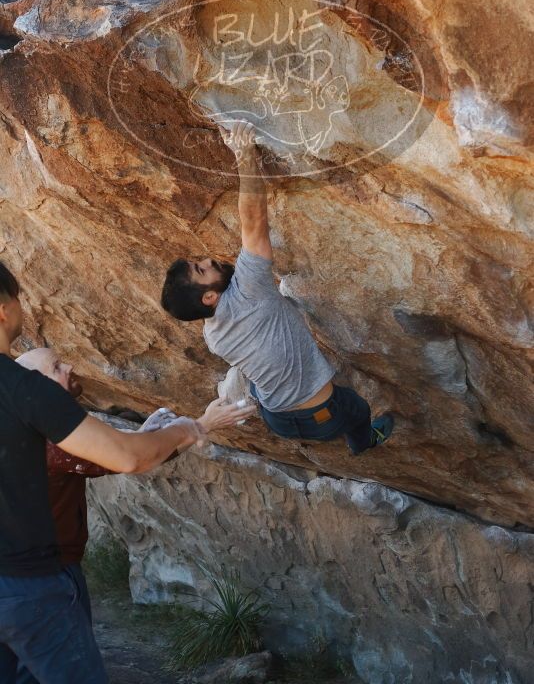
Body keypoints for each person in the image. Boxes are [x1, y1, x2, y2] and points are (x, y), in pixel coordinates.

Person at [0, 260, 254, 684]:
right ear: (3, 309)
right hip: (31, 585)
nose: (67, 370)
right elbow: (125, 456)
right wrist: (188, 428)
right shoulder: (24, 390)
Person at [161, 121, 396, 455]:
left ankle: (251, 402)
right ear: (209, 296)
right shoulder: (249, 288)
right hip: (324, 414)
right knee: (357, 409)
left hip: (277, 420)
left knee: (252, 377)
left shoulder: (212, 335)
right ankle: (363, 442)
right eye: (202, 269)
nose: (209, 260)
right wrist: (244, 155)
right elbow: (254, 220)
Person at [14, 348, 188, 684]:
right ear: (38, 385)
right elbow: (126, 459)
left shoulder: (19, 425)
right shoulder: (53, 439)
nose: (70, 366)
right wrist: (196, 427)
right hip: (49, 572)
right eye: (57, 366)